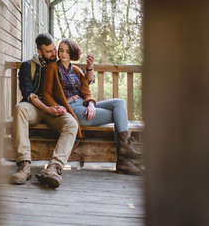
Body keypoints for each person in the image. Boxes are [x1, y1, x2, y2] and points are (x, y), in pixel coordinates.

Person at [42, 38, 143, 175]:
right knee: (118, 115)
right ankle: (124, 159)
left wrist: (90, 103)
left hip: (82, 104)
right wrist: (57, 107)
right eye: (61, 50)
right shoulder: (52, 68)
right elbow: (46, 94)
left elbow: (86, 91)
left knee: (119, 103)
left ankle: (124, 152)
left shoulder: (76, 70)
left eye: (67, 51)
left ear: (72, 53)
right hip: (72, 109)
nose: (63, 54)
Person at [11, 33, 95, 188]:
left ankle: (54, 168)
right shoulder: (28, 66)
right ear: (39, 51)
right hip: (36, 108)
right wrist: (48, 109)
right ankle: (24, 165)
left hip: (55, 108)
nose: (53, 53)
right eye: (48, 51)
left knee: (71, 124)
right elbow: (29, 94)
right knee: (20, 108)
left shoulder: (58, 65)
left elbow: (83, 80)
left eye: (54, 49)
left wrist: (89, 68)